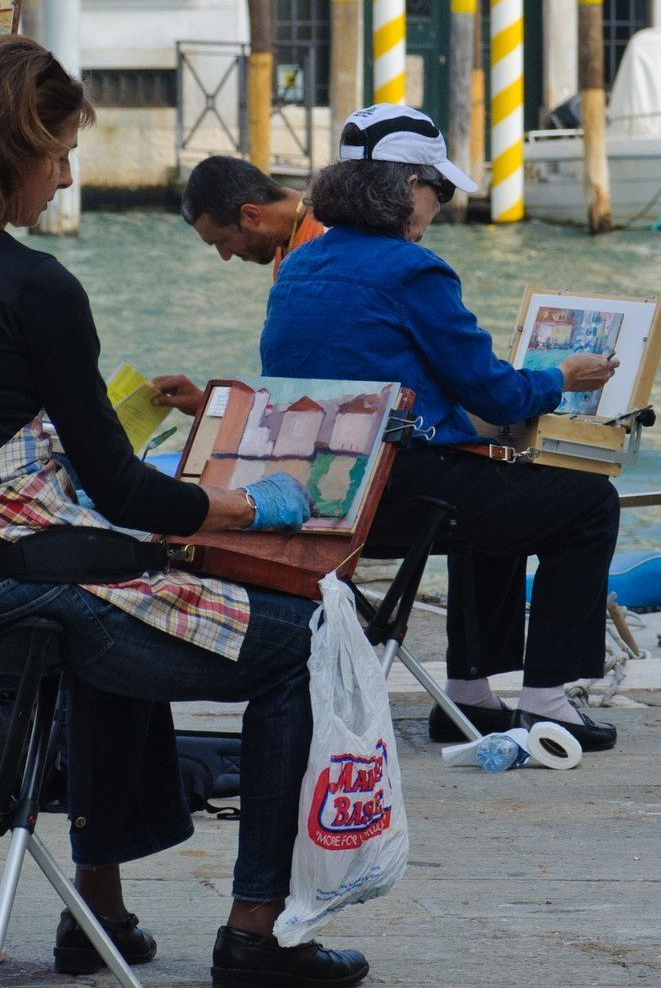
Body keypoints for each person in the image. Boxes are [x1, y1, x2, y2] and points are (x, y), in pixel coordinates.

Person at [0, 35, 370, 988]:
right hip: (7, 599)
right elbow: (124, 494)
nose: (68, 177)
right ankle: (258, 932)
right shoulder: (37, 286)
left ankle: (99, 911)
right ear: (13, 154)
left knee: (110, 590)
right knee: (307, 637)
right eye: (61, 153)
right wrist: (243, 503)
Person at [258, 105, 625, 751]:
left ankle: (473, 695)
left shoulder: (300, 265)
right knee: (586, 504)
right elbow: (492, 390)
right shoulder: (413, 270)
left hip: (319, 491)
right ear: (406, 187)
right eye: (440, 189)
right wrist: (562, 376)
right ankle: (547, 701)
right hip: (396, 492)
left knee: (498, 484)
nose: (442, 205)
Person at [178, 154, 323, 272]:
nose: (225, 256)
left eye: (221, 241)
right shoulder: (287, 244)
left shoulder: (325, 241)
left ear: (251, 215)